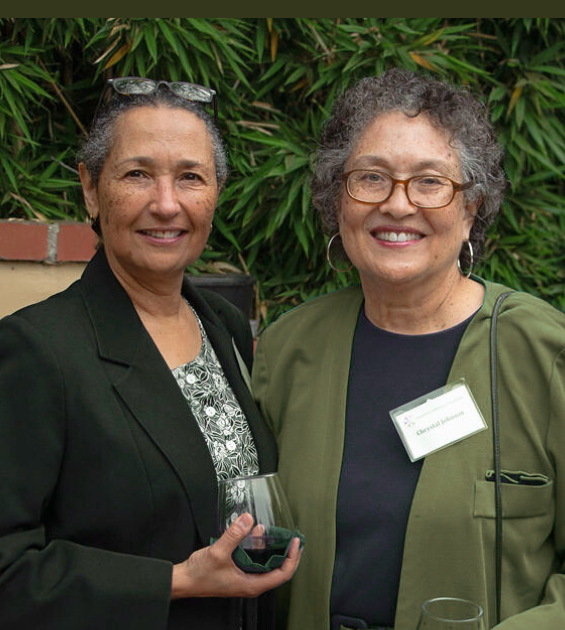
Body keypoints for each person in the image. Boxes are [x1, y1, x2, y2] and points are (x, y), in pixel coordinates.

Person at [251, 67, 565, 630]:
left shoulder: (544, 353)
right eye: (371, 178)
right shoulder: (289, 350)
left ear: (471, 208)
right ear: (338, 201)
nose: (398, 205)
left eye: (429, 182)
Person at [0, 76, 301, 630]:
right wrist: (178, 580)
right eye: (137, 174)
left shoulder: (224, 326)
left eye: (191, 177)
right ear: (91, 189)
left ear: (216, 193)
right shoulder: (38, 350)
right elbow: (8, 569)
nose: (166, 204)